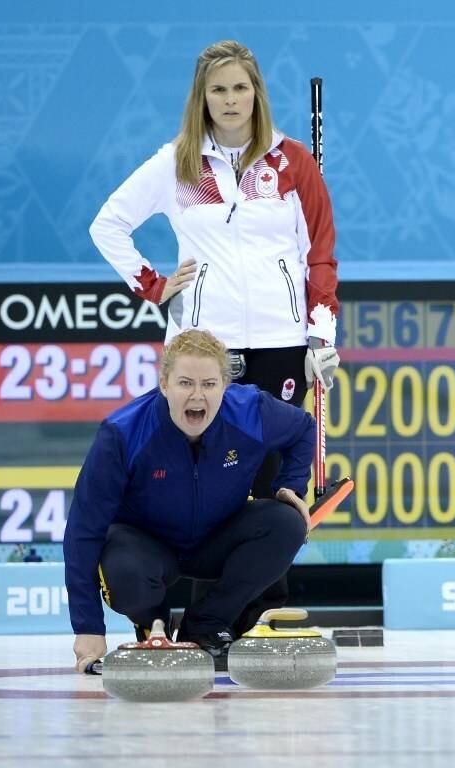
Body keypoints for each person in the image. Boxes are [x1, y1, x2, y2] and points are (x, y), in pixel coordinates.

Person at [88, 39, 340, 495]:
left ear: (256, 93)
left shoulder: (294, 162)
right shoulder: (178, 162)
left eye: (240, 88)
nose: (229, 100)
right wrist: (153, 285)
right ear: (202, 97)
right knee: (204, 481)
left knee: (271, 488)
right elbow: (108, 225)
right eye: (218, 90)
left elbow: (318, 254)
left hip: (281, 341)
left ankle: (267, 567)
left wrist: (322, 335)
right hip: (205, 347)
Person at [63, 329, 314, 673]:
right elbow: (82, 530)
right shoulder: (121, 433)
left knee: (287, 523)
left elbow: (303, 429)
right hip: (146, 547)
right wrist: (88, 626)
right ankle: (153, 626)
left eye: (209, 384)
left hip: (217, 538)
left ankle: (206, 626)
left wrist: (291, 486)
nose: (197, 396)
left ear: (225, 385)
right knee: (122, 567)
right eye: (185, 383)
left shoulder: (251, 411)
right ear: (164, 384)